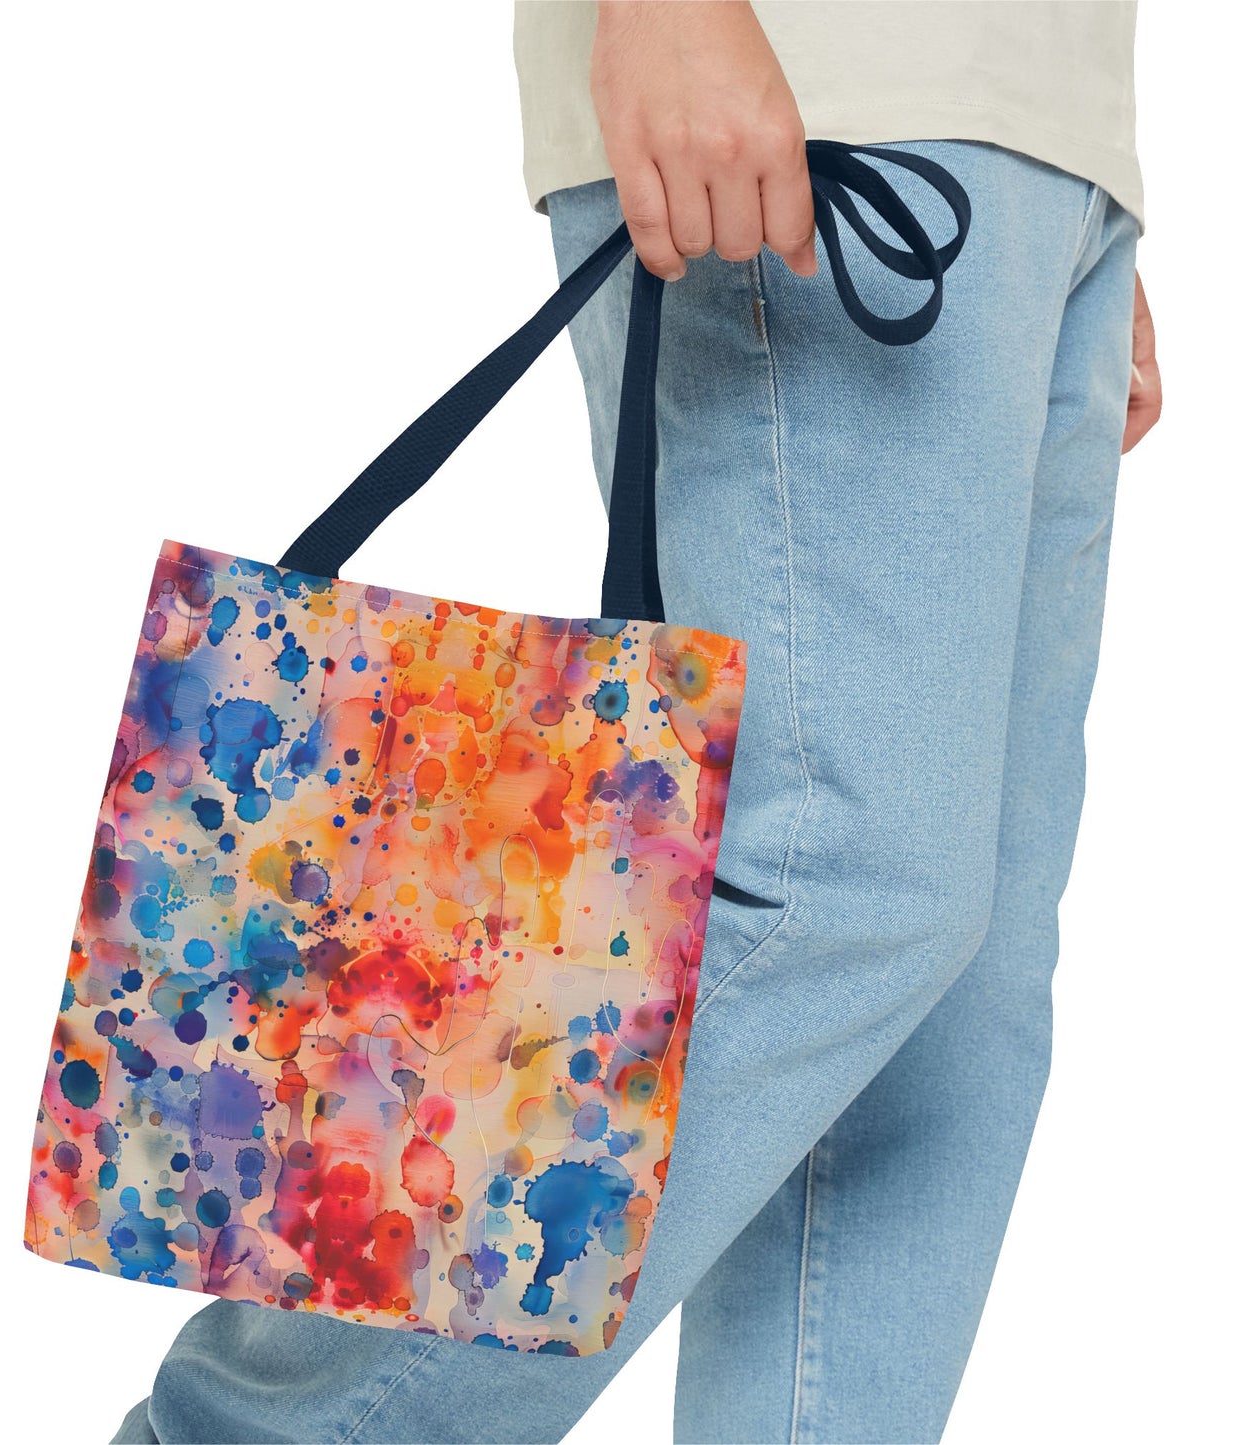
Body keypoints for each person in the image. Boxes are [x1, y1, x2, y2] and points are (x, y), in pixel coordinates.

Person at [111, 2, 1160, 1440]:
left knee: (948, 1017)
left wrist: (1074, 177)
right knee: (832, 885)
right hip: (823, 81)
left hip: (1031, 140)